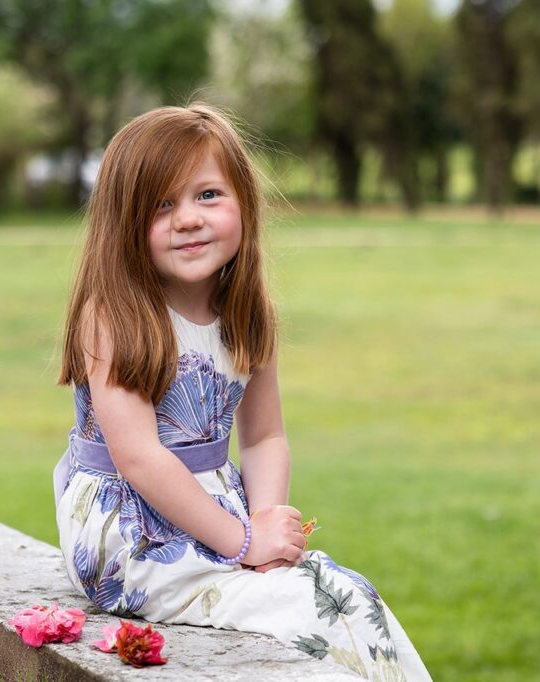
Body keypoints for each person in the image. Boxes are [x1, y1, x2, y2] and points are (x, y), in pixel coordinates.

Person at [53, 103, 432, 680]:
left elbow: (263, 436)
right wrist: (241, 542)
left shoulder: (247, 315)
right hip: (130, 533)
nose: (187, 219)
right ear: (123, 222)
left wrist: (266, 526)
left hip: (215, 510)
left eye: (207, 195)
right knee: (305, 610)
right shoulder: (115, 317)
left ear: (243, 205)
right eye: (161, 205)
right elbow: (138, 457)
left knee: (349, 595)